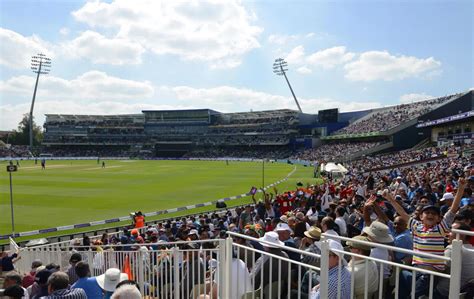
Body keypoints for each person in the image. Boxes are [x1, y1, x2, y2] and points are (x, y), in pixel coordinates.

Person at [389, 177, 466, 298]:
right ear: (421, 217)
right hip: (417, 270)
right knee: (402, 276)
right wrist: (390, 199)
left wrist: (461, 189)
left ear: (438, 218)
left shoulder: (440, 228)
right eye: (427, 213)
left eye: (434, 213)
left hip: (430, 273)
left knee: (413, 295)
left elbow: (453, 210)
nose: (430, 215)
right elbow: (402, 213)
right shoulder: (416, 226)